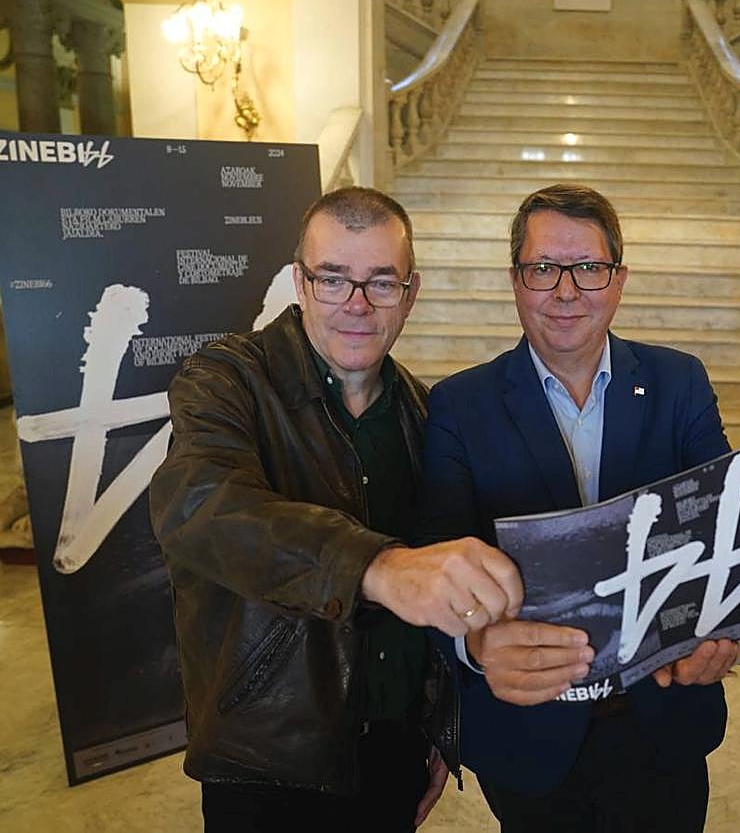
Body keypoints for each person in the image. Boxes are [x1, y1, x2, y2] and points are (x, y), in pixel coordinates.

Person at [417, 183, 740, 832]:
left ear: (619, 278)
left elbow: (722, 524)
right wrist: (476, 642)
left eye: (589, 268)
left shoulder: (678, 382)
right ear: (515, 279)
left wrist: (736, 619)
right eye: (543, 268)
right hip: (530, 732)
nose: (566, 290)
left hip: (664, 716)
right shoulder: (458, 406)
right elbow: (433, 565)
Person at [149, 186, 522, 832]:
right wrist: (377, 566)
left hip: (390, 751)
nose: (356, 304)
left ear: (410, 293)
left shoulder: (421, 411)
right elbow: (201, 504)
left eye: (381, 282)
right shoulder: (227, 379)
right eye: (333, 280)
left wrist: (434, 719)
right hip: (266, 754)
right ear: (300, 282)